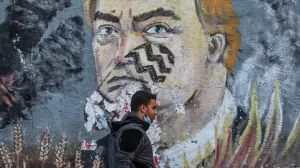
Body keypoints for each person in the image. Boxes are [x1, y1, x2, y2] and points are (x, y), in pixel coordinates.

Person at [82, 0, 240, 167]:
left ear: (214, 47)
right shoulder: (89, 160)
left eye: (157, 29)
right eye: (107, 30)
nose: (123, 54)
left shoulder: (262, 149)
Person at [109, 90, 157, 168]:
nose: (156, 112)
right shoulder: (134, 131)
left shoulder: (126, 128)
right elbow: (122, 163)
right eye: (153, 108)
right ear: (143, 108)